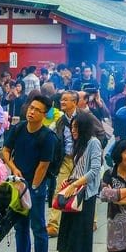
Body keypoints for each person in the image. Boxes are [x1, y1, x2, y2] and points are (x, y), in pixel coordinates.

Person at [2, 95, 56, 252]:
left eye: (37, 110)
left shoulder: (47, 136)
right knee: (19, 224)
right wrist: (13, 168)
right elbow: (6, 151)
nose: (31, 112)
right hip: (17, 183)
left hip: (35, 186)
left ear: (45, 114)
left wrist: (32, 187)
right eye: (31, 108)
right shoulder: (18, 128)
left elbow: (44, 165)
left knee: (38, 225)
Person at [57, 113, 103, 252]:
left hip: (86, 196)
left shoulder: (93, 143)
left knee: (81, 236)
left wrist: (74, 183)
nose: (73, 131)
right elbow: (79, 168)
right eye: (72, 127)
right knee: (73, 234)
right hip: (75, 192)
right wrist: (69, 182)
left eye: (76, 127)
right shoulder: (80, 144)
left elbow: (94, 170)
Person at [47, 90, 81, 237]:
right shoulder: (60, 120)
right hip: (66, 159)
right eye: (62, 100)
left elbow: (100, 134)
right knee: (59, 190)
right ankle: (53, 224)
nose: (62, 102)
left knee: (82, 190)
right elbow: (51, 133)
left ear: (75, 102)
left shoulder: (84, 117)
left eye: (66, 100)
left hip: (81, 160)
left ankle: (90, 221)